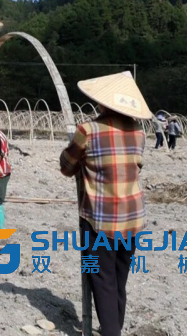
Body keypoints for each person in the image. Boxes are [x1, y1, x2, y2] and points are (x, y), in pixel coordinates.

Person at [60, 71, 151, 336]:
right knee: (119, 278)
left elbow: (67, 166)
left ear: (103, 102)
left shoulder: (87, 131)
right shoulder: (138, 132)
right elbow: (136, 166)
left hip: (100, 220)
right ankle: (114, 327)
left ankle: (111, 331)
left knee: (101, 280)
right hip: (132, 217)